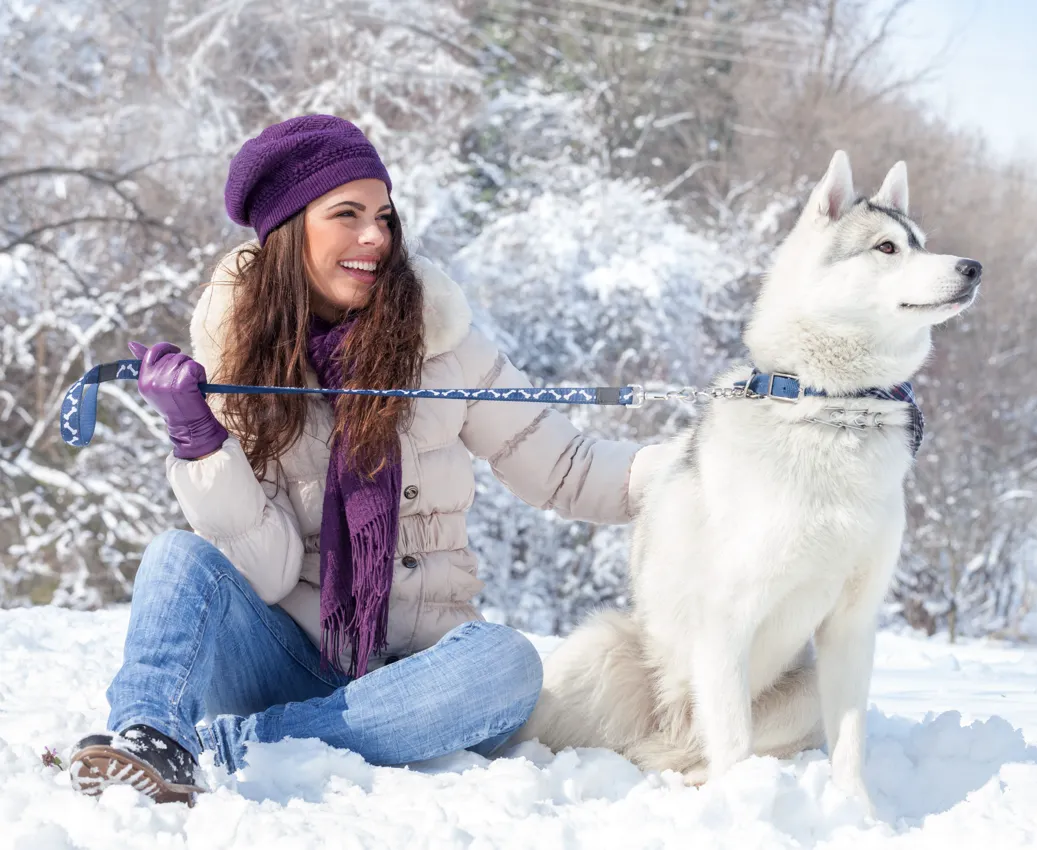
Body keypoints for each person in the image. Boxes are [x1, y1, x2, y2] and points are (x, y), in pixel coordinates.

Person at [67, 115, 666, 804]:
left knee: (507, 663)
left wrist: (691, 468)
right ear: (289, 232)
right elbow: (265, 571)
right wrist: (201, 443)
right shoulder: (238, 363)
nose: (375, 237)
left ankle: (235, 744)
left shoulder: (441, 343)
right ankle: (147, 736)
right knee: (177, 557)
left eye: (383, 215)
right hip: (286, 654)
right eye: (346, 215)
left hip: (416, 676)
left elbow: (566, 467)